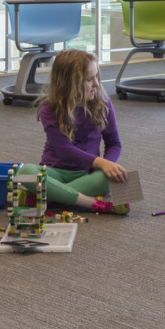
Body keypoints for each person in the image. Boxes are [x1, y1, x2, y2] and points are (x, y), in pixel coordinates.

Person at [34, 48, 130, 214]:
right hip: (55, 171)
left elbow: (114, 143)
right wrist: (101, 162)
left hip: (88, 174)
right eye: (89, 79)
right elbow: (65, 151)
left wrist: (108, 166)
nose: (96, 84)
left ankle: (49, 196)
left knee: (109, 178)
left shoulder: (104, 103)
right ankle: (92, 203)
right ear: (69, 84)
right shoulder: (48, 109)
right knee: (26, 172)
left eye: (96, 77)